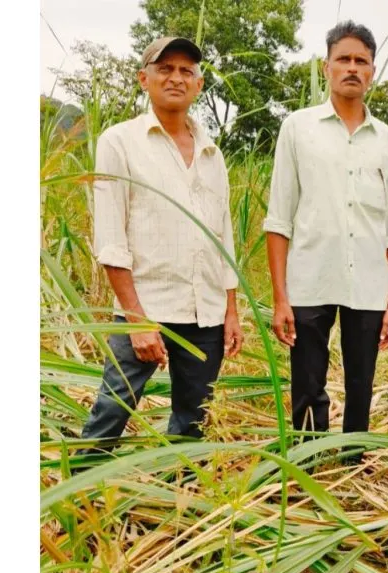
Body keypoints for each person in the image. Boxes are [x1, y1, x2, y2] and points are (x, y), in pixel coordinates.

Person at [81, 36, 243, 442]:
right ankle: (80, 493)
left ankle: (183, 497)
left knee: (192, 421)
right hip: (146, 306)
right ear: (144, 78)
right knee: (110, 412)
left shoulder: (212, 153)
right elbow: (110, 237)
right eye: (165, 69)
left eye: (186, 71)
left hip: (204, 311)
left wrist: (231, 311)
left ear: (199, 84)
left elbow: (223, 236)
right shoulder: (119, 142)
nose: (176, 78)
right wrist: (136, 320)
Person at [263, 21, 388, 444]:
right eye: (343, 59)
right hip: (310, 278)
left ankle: (352, 459)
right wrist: (280, 296)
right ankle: (310, 458)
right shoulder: (298, 128)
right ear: (326, 66)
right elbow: (278, 218)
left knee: (361, 382)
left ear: (372, 72)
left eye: (361, 61)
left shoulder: (385, 139)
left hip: (368, 284)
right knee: (308, 380)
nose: (352, 68)